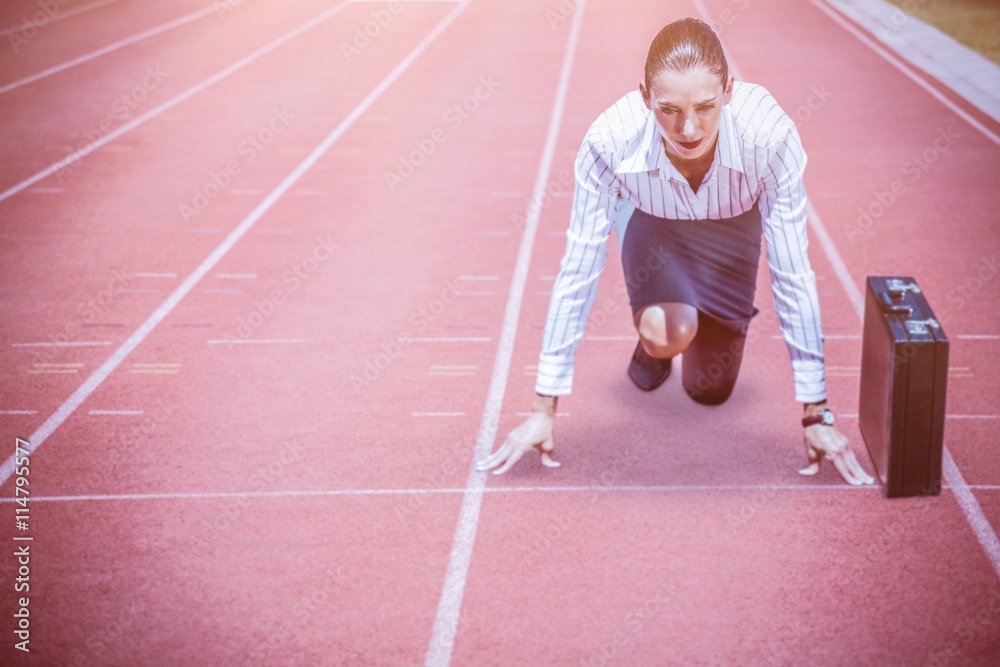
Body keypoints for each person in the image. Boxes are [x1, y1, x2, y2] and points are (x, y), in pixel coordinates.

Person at [476, 18, 874, 485]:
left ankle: (704, 322)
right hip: (655, 228)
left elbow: (792, 271)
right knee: (669, 331)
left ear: (729, 90)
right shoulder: (609, 141)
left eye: (706, 106)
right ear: (645, 97)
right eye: (669, 109)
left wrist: (817, 414)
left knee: (709, 389)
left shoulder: (770, 139)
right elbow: (579, 267)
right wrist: (545, 405)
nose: (688, 128)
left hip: (731, 237)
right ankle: (658, 343)